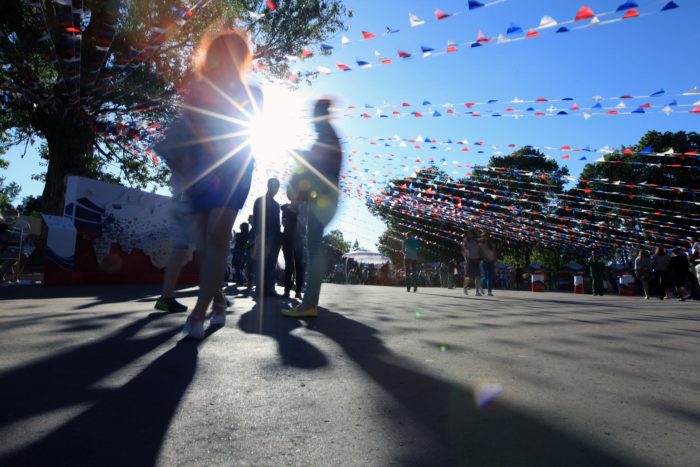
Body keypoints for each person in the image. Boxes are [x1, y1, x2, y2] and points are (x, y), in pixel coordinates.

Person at [156, 30, 262, 339]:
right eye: (222, 52)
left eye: (235, 53)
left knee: (217, 236)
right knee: (203, 247)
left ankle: (197, 314)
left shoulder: (254, 92)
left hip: (235, 168)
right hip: (202, 172)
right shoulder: (198, 90)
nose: (228, 59)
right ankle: (217, 301)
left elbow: (245, 129)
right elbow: (193, 128)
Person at [283, 98, 342, 318]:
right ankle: (310, 301)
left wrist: (302, 160)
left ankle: (309, 303)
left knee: (314, 248)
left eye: (315, 115)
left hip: (323, 199)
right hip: (324, 197)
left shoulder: (326, 137)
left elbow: (317, 170)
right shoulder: (328, 136)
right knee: (314, 246)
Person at [253, 177, 282, 297]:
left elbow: (278, 222)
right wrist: (258, 235)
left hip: (276, 237)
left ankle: (269, 289)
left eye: (277, 187)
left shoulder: (276, 205)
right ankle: (260, 290)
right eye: (274, 186)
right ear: (268, 186)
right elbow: (256, 219)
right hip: (264, 235)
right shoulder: (259, 201)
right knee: (262, 263)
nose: (275, 189)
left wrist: (279, 238)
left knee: (271, 264)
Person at [281, 191, 305, 299]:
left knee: (298, 265)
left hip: (298, 239)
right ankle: (287, 290)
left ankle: (298, 291)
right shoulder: (285, 209)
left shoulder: (302, 208)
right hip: (287, 238)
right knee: (289, 265)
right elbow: (283, 223)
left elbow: (304, 224)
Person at [461, 230, 483, 296]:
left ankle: (477, 292)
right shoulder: (465, 241)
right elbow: (463, 251)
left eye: (471, 233)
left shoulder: (476, 240)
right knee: (468, 276)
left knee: (477, 276)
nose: (470, 234)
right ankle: (465, 287)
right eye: (469, 233)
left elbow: (482, 239)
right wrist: (466, 259)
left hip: (476, 259)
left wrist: (477, 232)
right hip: (469, 260)